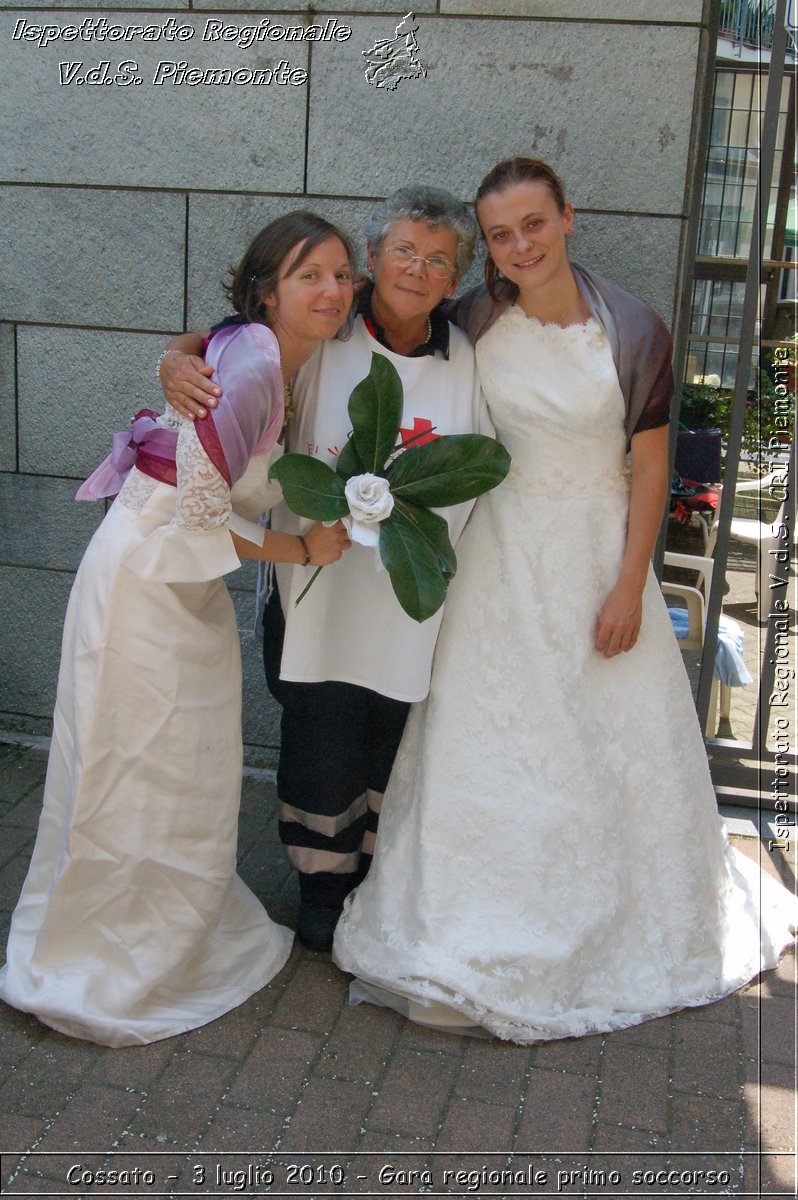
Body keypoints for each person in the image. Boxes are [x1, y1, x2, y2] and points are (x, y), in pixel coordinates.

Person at [332, 158, 797, 1042]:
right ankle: (470, 913)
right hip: (496, 562)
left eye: (533, 225)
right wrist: (192, 350)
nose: (519, 246)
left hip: (595, 555)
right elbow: (357, 323)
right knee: (491, 739)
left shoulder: (632, 327)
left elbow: (651, 466)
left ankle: (616, 917)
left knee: (600, 740)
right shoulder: (470, 317)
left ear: (568, 218)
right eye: (501, 235)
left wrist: (631, 586)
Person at [0, 213, 353, 1046]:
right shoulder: (261, 361)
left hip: (174, 577)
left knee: (174, 765)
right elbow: (199, 512)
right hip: (147, 578)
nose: (333, 290)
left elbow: (210, 338)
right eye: (310, 275)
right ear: (269, 290)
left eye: (343, 274)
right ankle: (119, 956)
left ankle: (166, 931)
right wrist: (301, 547)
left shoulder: (265, 347)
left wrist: (174, 349)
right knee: (137, 764)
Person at [160, 187, 490, 953]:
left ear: (455, 280)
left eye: (440, 260)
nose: (418, 269)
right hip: (314, 575)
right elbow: (215, 346)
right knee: (320, 729)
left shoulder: (463, 355)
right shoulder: (324, 322)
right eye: (404, 250)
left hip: (404, 585)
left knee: (385, 732)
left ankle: (369, 875)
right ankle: (319, 883)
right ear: (373, 257)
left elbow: (477, 465)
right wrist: (173, 362)